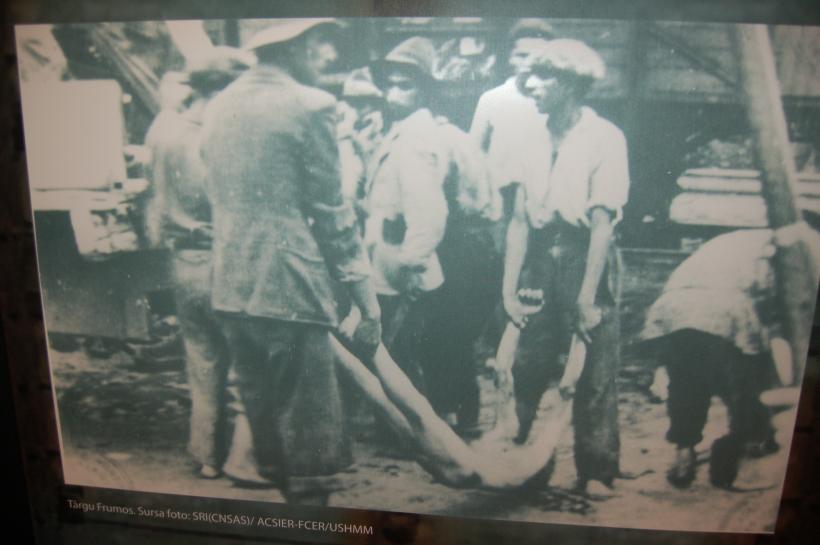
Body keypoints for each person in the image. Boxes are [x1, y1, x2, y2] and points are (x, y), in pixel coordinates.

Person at [198, 19, 382, 504]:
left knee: (272, 448)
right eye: (322, 42)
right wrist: (367, 299)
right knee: (310, 454)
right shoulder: (311, 106)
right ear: (297, 45)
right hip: (290, 290)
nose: (329, 54)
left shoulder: (218, 106)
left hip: (232, 291)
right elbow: (332, 214)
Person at [503, 39, 629, 495]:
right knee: (529, 361)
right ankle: (527, 463)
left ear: (573, 83)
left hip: (585, 257)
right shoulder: (527, 137)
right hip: (539, 257)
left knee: (592, 362)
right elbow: (518, 219)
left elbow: (601, 226)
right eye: (528, 76)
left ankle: (596, 470)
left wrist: (586, 297)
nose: (532, 85)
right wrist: (508, 287)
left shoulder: (605, 137)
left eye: (545, 76)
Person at [365, 37, 498, 436]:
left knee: (411, 340)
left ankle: (419, 426)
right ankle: (440, 415)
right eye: (389, 84)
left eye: (404, 84)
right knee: (421, 339)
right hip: (392, 248)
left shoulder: (419, 138)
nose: (392, 93)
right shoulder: (401, 132)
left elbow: (428, 211)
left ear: (425, 89)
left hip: (414, 250)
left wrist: (413, 261)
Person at [143, 47, 254, 480]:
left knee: (202, 361)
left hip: (182, 262)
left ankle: (207, 457)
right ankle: (245, 460)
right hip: (221, 258)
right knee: (246, 362)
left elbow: (153, 202)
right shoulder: (223, 136)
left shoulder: (165, 133)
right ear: (225, 88)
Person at [640, 224, 820, 488]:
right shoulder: (807, 243)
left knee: (687, 379)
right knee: (750, 383)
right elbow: (795, 306)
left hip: (675, 304)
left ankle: (684, 450)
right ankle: (744, 451)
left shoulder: (744, 237)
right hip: (726, 307)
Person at [469, 18, 553, 240]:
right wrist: (485, 196)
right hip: (501, 205)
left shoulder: (551, 102)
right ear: (510, 58)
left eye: (537, 57)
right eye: (521, 55)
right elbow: (473, 153)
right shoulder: (493, 99)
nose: (528, 63)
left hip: (541, 205)